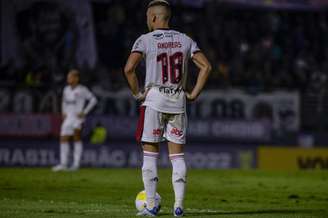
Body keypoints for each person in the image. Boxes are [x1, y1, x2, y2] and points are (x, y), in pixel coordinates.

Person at [123, 0, 211, 216]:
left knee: (150, 155)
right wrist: (194, 93)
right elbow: (207, 67)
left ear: (153, 17)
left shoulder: (144, 40)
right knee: (177, 157)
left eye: (147, 17)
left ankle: (151, 206)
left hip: (154, 100)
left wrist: (137, 94)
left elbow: (128, 69)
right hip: (178, 100)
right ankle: (179, 206)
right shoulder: (185, 39)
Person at [52, 69, 97, 172]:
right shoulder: (66, 89)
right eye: (68, 77)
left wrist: (84, 112)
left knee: (76, 138)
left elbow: (93, 100)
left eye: (70, 77)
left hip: (78, 118)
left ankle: (76, 164)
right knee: (63, 138)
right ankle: (63, 164)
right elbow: (63, 102)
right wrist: (63, 112)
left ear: (76, 78)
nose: (68, 79)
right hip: (68, 118)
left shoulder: (82, 89)